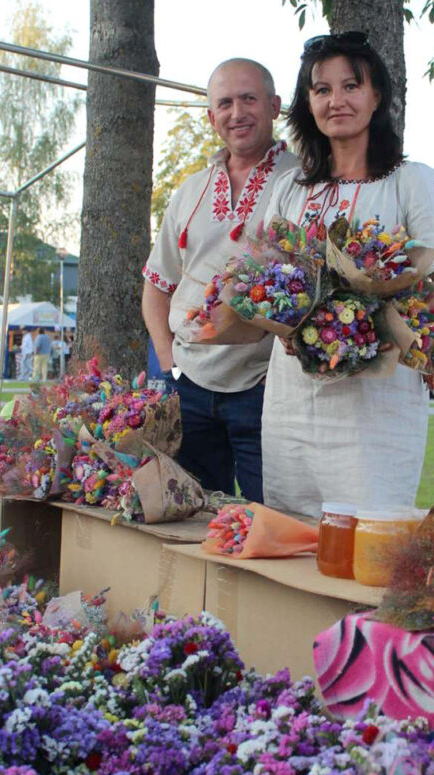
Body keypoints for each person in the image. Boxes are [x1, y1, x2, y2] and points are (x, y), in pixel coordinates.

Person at [260, 33, 434, 516]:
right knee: (292, 542)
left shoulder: (410, 180)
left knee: (364, 546)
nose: (337, 101)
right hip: (290, 406)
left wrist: (358, 323)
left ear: (376, 97)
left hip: (375, 412)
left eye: (351, 86)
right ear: (307, 102)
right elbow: (266, 286)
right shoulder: (290, 188)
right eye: (322, 90)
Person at [142, 59, 298, 502]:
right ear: (211, 117)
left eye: (249, 99)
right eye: (225, 103)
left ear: (274, 106)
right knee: (195, 522)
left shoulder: (303, 182)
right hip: (189, 388)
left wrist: (283, 371)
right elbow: (156, 283)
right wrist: (170, 363)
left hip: (265, 391)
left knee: (272, 521)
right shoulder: (190, 190)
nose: (237, 112)